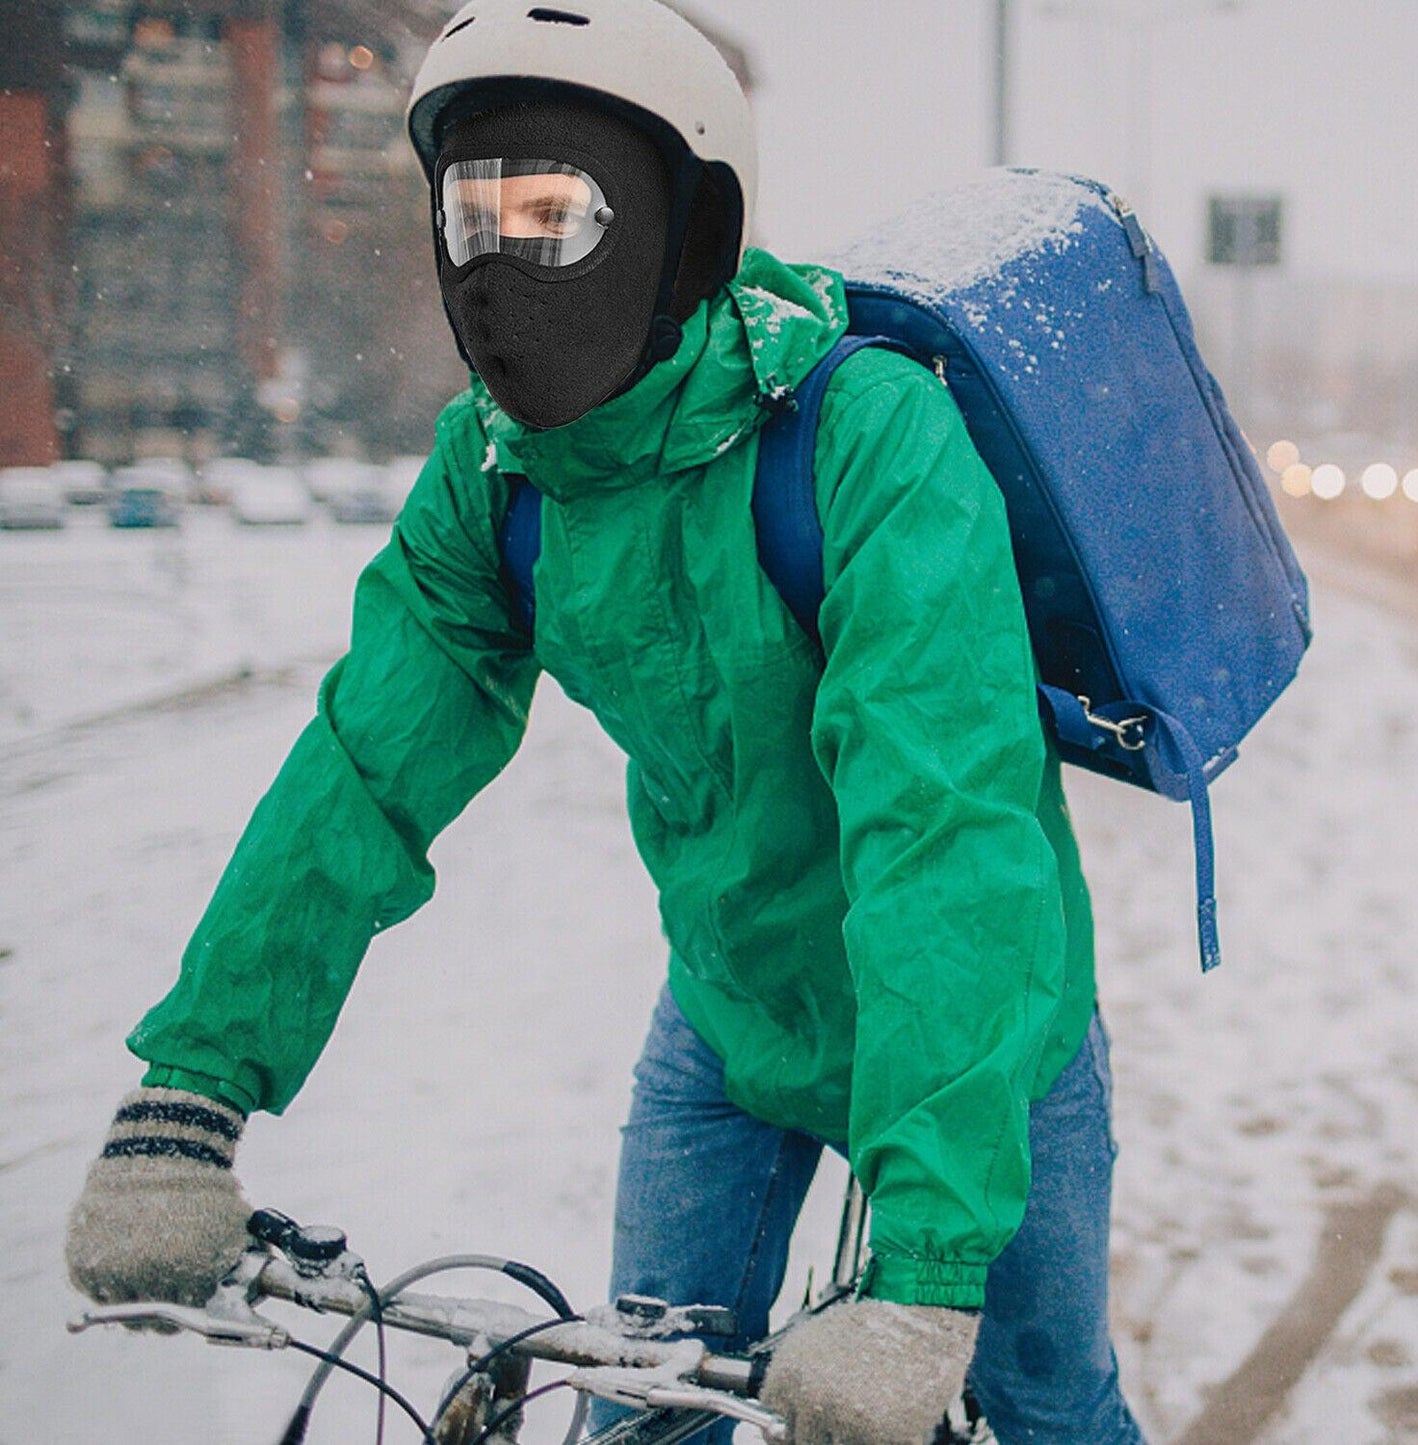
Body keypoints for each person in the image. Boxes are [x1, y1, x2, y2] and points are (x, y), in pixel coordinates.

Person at [65, 3, 1147, 1441]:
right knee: (640, 1409)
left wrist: (929, 1260)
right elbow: (364, 765)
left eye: (553, 211)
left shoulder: (863, 438)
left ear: (684, 231)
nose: (498, 268)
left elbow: (942, 824)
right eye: (471, 212)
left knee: (1040, 1401)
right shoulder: (498, 474)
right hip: (729, 1005)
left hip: (984, 1020)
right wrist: (189, 1089)